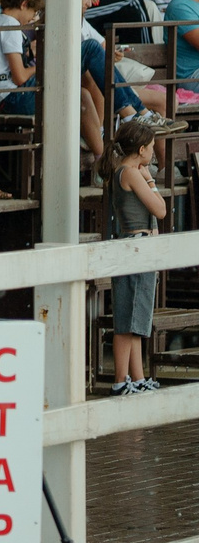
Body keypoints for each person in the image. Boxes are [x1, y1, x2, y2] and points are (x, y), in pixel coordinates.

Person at [100, 114, 167, 396]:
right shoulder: (130, 173)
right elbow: (160, 209)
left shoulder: (128, 171)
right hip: (133, 247)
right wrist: (150, 180)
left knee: (137, 316)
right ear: (141, 150)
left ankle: (137, 377)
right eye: (151, 147)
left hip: (141, 248)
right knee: (126, 318)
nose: (153, 153)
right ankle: (120, 379)